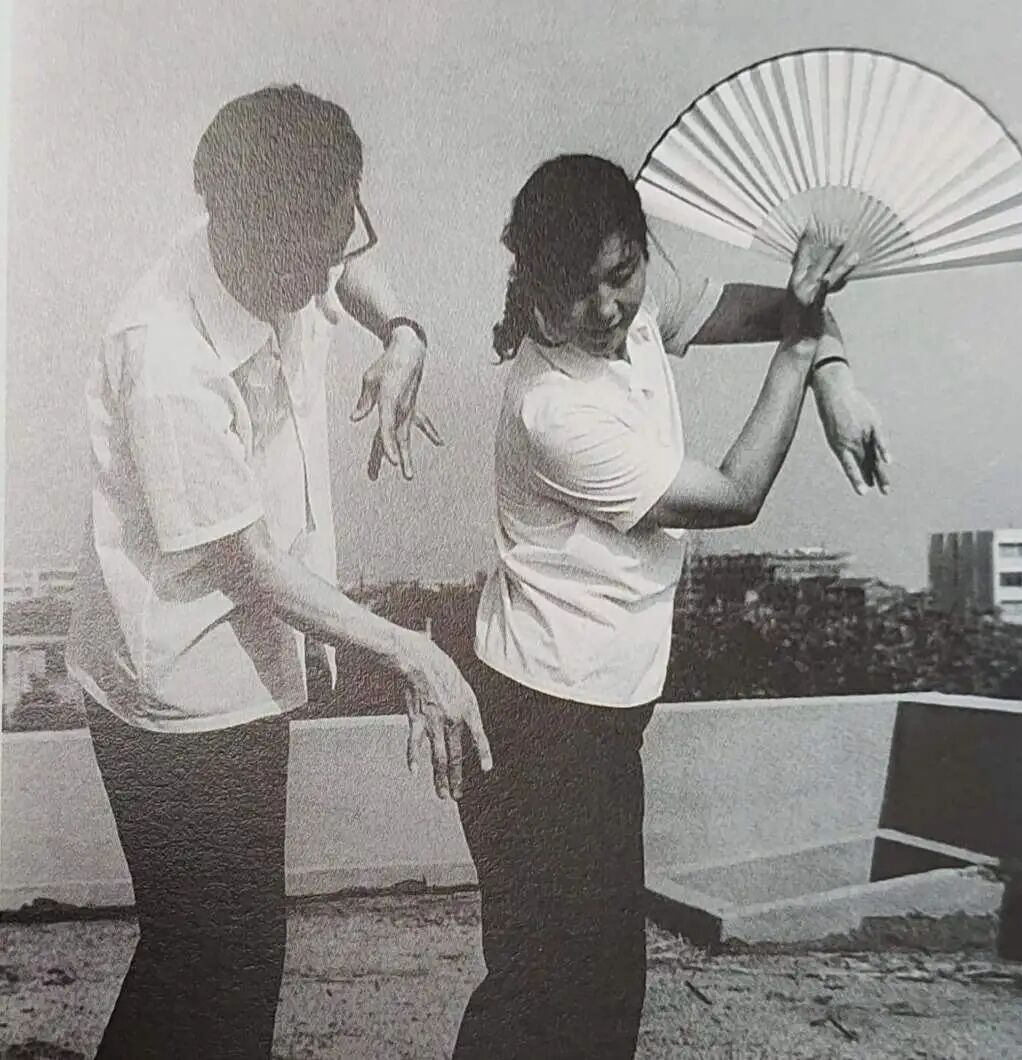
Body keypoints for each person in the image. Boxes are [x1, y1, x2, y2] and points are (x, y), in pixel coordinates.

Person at [64, 84, 491, 1060]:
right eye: (318, 255)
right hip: (174, 687)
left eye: (345, 232)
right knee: (213, 959)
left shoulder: (287, 245)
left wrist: (404, 333)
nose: (336, 268)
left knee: (223, 956)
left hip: (250, 662)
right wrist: (413, 653)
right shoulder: (166, 357)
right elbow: (246, 562)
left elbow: (354, 265)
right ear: (253, 236)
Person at [453, 154, 889, 1059]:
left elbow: (795, 305)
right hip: (544, 719)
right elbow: (735, 494)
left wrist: (836, 376)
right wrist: (802, 353)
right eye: (578, 290)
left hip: (597, 713)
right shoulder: (551, 410)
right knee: (552, 1000)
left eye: (622, 274)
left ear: (642, 252)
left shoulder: (645, 306)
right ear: (535, 284)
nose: (608, 307)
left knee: (592, 996)